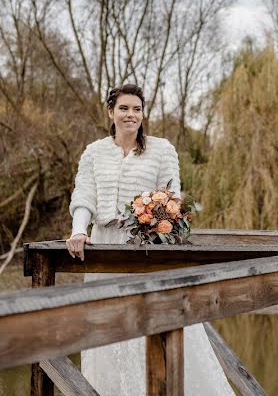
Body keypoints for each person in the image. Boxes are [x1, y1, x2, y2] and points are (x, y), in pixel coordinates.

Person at [66, 84, 234, 396]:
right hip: (104, 246)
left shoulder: (162, 150)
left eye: (137, 109)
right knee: (107, 330)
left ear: (143, 114)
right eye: (124, 108)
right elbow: (84, 195)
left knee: (150, 327)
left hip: (146, 249)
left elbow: (172, 199)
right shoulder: (94, 152)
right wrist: (79, 231)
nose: (130, 115)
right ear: (111, 112)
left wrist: (155, 224)